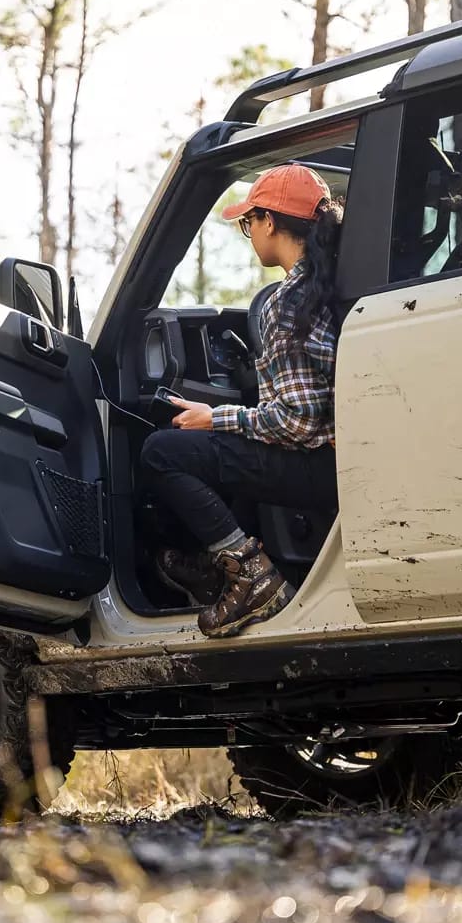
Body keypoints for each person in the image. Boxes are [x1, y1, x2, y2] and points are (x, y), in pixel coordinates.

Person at [141, 163, 343, 639]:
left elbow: (296, 424)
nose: (249, 234)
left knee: (162, 452)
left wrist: (216, 418)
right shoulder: (332, 284)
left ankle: (252, 577)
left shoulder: (288, 302)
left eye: (248, 222)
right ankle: (218, 568)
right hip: (343, 459)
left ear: (269, 222)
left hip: (323, 467)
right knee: (233, 454)